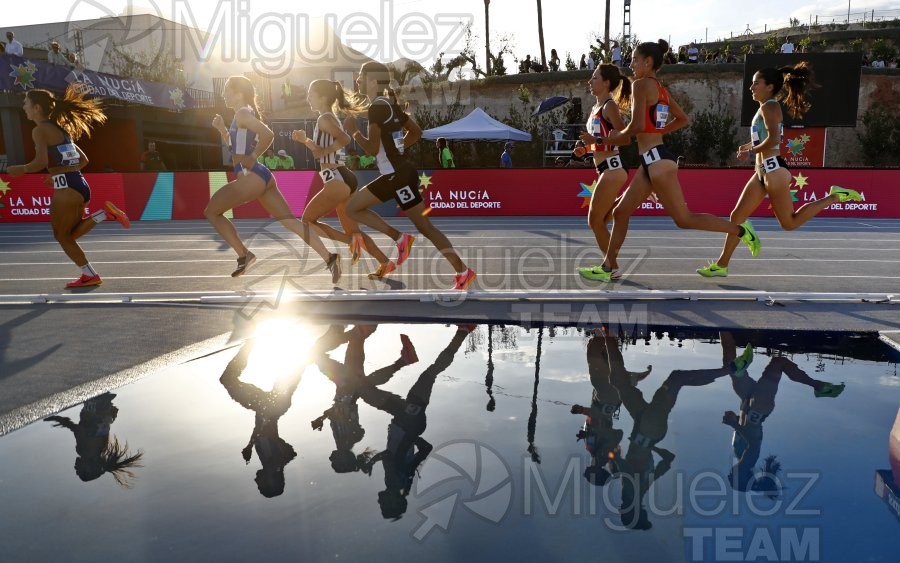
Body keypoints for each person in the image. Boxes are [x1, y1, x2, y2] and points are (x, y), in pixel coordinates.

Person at [585, 39, 761, 283]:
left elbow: (635, 126)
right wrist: (654, 133)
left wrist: (616, 136)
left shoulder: (641, 85)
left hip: (657, 162)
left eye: (635, 59)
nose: (632, 64)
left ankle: (741, 230)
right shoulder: (660, 89)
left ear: (648, 62)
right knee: (620, 211)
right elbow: (683, 119)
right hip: (653, 160)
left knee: (684, 219)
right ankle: (608, 266)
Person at [697, 63, 861, 278]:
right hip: (761, 170)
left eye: (756, 83)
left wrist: (751, 150)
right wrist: (749, 147)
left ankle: (834, 196)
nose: (751, 87)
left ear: (770, 86)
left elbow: (774, 140)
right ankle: (722, 265)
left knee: (789, 223)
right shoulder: (764, 107)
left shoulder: (770, 107)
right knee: (736, 216)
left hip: (773, 171)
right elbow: (767, 138)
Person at [344, 61, 476, 290]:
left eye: (360, 77)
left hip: (396, 176)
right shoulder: (390, 104)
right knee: (356, 209)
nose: (357, 81)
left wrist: (353, 131)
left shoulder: (377, 107)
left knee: (354, 209)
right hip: (398, 173)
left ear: (373, 80)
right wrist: (398, 152)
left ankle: (456, 267)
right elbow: (416, 132)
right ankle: (457, 268)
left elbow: (372, 149)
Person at [207, 75, 341, 281]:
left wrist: (252, 157)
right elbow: (236, 149)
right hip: (262, 177)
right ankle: (329, 257)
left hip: (250, 176)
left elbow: (269, 134)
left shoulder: (242, 113)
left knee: (211, 212)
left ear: (238, 93)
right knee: (290, 222)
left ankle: (244, 254)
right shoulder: (240, 116)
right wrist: (222, 130)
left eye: (226, 90)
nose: (223, 94)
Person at [7, 86, 131, 289]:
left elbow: (39, 162)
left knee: (62, 236)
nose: (23, 107)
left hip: (68, 190)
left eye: (26, 103)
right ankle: (102, 216)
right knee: (67, 235)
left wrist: (21, 169)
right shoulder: (60, 130)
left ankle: (90, 273)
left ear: (37, 107)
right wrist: (58, 174)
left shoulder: (39, 130)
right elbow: (83, 160)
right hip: (79, 185)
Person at [359, 326, 472, 519]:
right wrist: (410, 435)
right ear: (393, 502)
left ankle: (405, 360)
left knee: (364, 391)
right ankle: (462, 332)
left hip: (405, 419)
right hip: (409, 420)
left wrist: (376, 458)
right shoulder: (399, 481)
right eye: (383, 505)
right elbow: (421, 449)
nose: (379, 502)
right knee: (430, 373)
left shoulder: (398, 482)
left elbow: (397, 454)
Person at [291, 79, 396, 279]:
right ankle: (385, 262)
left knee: (306, 222)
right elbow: (320, 153)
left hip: (336, 179)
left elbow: (344, 140)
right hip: (345, 177)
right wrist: (305, 141)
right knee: (353, 230)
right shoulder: (328, 118)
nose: (308, 98)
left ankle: (349, 243)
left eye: (311, 94)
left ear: (322, 97)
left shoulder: (325, 118)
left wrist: (324, 150)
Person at [311, 324, 418, 473]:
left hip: (346, 389)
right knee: (317, 354)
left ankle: (402, 359)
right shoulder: (347, 440)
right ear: (344, 459)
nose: (331, 459)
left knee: (354, 345)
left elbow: (337, 412)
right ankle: (354, 330)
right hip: (347, 388)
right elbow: (354, 424)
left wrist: (322, 417)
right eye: (335, 462)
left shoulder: (341, 441)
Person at [576, 64, 632, 280]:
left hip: (613, 169)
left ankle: (611, 267)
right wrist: (586, 149)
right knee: (603, 219)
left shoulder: (609, 106)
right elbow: (601, 143)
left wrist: (596, 141)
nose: (590, 82)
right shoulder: (595, 108)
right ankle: (611, 265)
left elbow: (625, 139)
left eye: (594, 78)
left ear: (606, 82)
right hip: (605, 169)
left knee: (594, 220)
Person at [44, 393, 144, 487]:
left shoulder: (100, 449)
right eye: (78, 471)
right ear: (88, 468)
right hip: (94, 405)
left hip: (102, 405)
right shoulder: (85, 451)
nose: (75, 468)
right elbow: (77, 429)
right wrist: (56, 419)